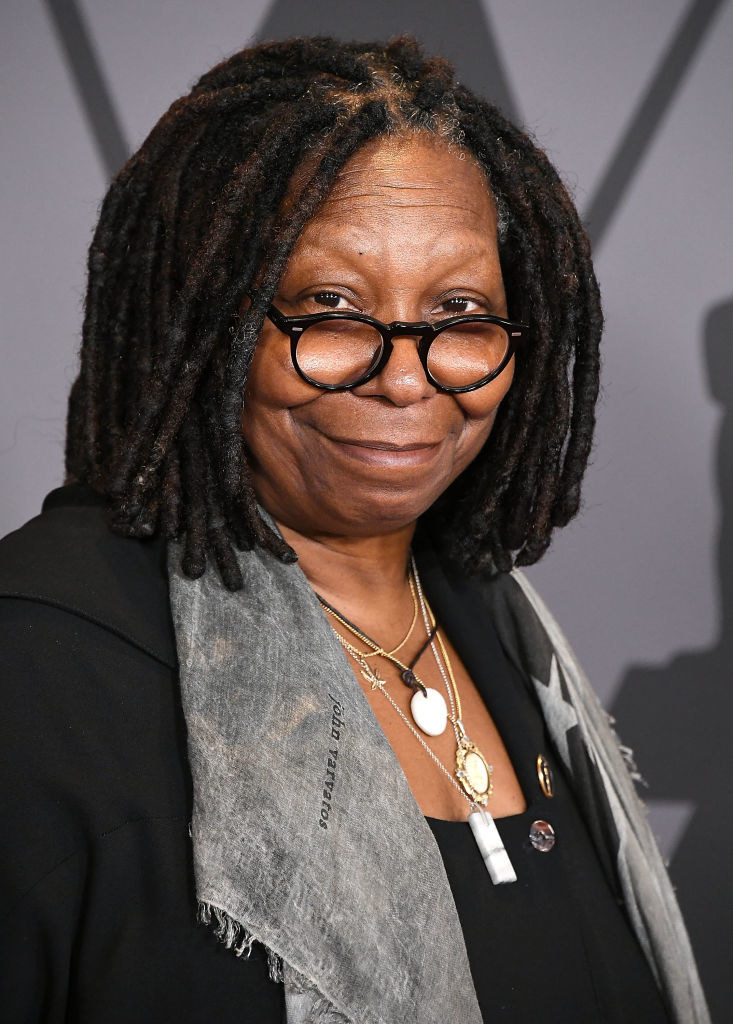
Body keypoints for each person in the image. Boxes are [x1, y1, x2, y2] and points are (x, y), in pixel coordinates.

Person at [0, 35, 708, 1024]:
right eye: (331, 308)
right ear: (213, 323)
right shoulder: (37, 663)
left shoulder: (498, 628)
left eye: (458, 311)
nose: (407, 377)